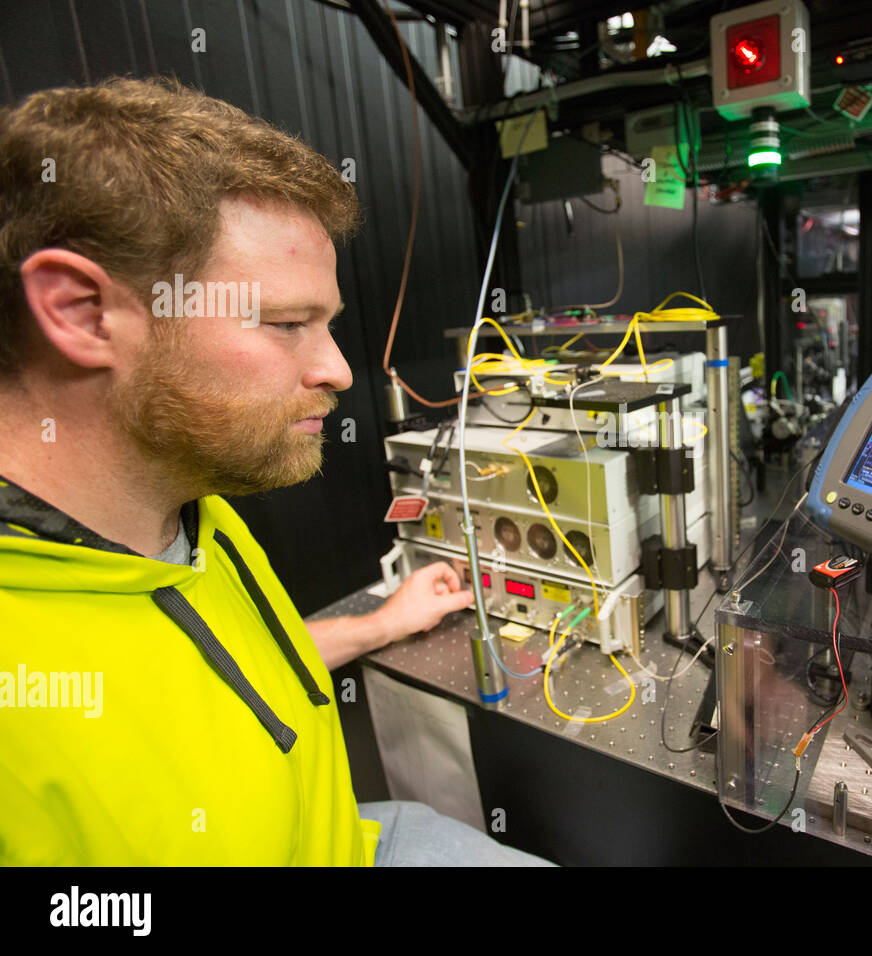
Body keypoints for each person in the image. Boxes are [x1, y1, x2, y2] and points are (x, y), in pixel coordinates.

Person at [0, 76, 549, 866]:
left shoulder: (185, 509)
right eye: (288, 324)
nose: (337, 371)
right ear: (83, 311)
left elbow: (212, 664)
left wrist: (379, 625)